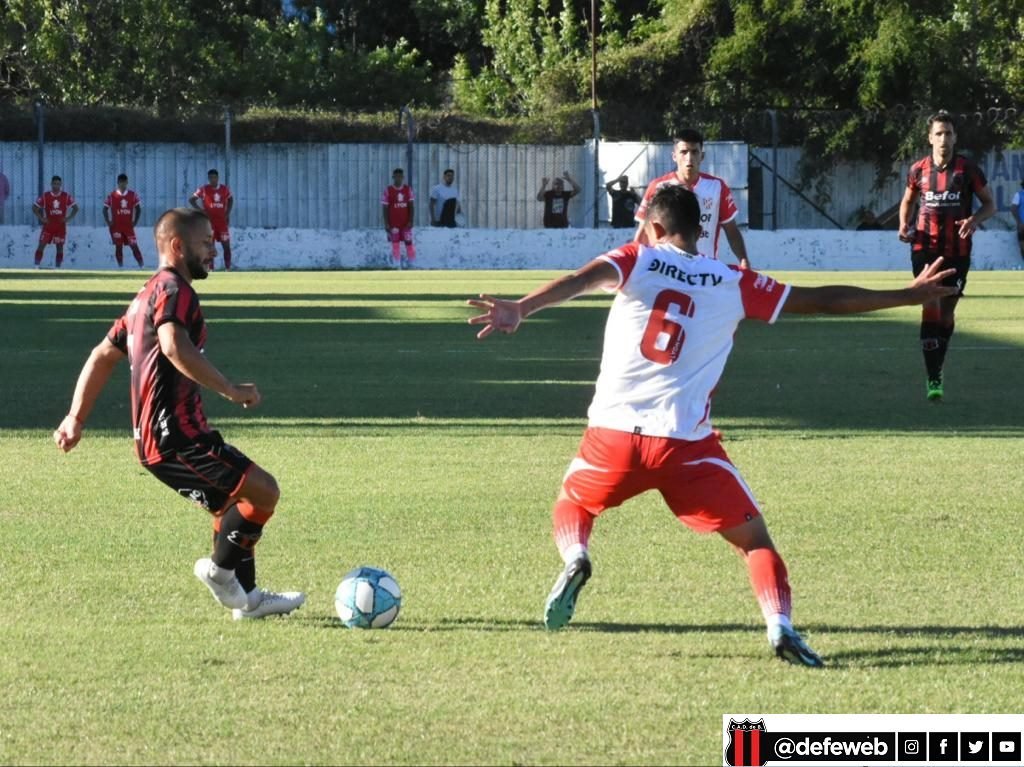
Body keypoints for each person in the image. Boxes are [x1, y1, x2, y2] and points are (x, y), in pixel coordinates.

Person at [466, 185, 957, 667]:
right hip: (685, 446)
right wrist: (906, 294)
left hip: (613, 436)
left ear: (655, 227)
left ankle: (576, 555)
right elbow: (824, 299)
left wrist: (521, 308)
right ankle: (779, 626)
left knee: (573, 502)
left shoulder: (637, 258)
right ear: (700, 230)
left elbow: (580, 279)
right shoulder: (733, 281)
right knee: (755, 542)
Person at [52, 207, 304, 621]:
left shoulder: (144, 297)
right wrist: (229, 389)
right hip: (174, 436)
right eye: (205, 243)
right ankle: (220, 575)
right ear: (177, 246)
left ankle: (249, 600)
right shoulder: (174, 289)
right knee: (264, 491)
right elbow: (172, 345)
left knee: (232, 506)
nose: (213, 250)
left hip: (167, 435)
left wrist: (75, 418)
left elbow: (102, 355)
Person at [898, 110, 996, 401]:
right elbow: (908, 201)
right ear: (930, 138)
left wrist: (974, 220)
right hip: (924, 249)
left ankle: (937, 364)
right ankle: (933, 377)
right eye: (939, 133)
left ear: (955, 137)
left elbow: (990, 205)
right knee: (930, 306)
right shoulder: (918, 170)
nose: (944, 138)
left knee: (947, 313)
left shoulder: (968, 170)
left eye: (948, 133)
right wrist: (903, 224)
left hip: (958, 252)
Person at [634, 129, 751, 269]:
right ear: (674, 156)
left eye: (694, 152)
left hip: (705, 268)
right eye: (683, 152)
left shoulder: (717, 187)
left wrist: (743, 259)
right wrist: (634, 263)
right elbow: (644, 231)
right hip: (668, 269)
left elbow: (731, 230)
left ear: (702, 156)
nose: (689, 158)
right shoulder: (657, 187)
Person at [188, 169, 234, 270]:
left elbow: (231, 199)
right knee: (210, 247)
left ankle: (228, 268)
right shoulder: (203, 189)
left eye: (214, 177)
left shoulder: (224, 189)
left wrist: (227, 213)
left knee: (226, 246)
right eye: (211, 178)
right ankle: (211, 268)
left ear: (218, 178)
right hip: (209, 223)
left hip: (222, 223)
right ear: (208, 179)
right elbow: (191, 200)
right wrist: (201, 211)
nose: (213, 180)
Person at [33, 175, 79, 268]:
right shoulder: (45, 196)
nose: (56, 186)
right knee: (41, 245)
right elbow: (34, 207)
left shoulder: (66, 196)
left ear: (60, 185)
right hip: (48, 226)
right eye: (54, 184)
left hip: (60, 227)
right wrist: (41, 218)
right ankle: (36, 266)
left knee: (59, 247)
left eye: (58, 184)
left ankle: (58, 268)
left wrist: (68, 218)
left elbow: (76, 208)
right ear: (51, 184)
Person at [103, 173, 144, 268]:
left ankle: (142, 266)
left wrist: (135, 221)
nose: (123, 184)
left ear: (127, 183)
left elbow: (138, 209)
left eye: (124, 182)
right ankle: (120, 267)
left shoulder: (133, 195)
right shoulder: (112, 196)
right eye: (121, 182)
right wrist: (108, 221)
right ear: (118, 183)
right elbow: (104, 209)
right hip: (116, 227)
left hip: (128, 227)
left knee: (134, 246)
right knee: (118, 246)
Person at [382, 168, 416, 267]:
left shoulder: (408, 189)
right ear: (393, 177)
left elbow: (411, 206)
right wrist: (386, 223)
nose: (398, 178)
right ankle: (397, 266)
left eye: (400, 176)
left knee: (409, 244)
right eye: (396, 176)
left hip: (406, 224)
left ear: (403, 177)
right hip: (393, 224)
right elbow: (385, 208)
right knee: (395, 245)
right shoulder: (388, 190)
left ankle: (413, 265)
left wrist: (411, 220)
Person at [1011, 181, 1024, 264]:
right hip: (1022, 225)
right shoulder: (1018, 195)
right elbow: (1013, 209)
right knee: (1022, 247)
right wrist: (1019, 222)